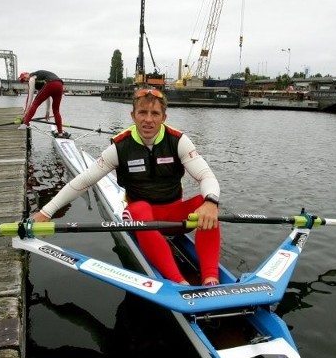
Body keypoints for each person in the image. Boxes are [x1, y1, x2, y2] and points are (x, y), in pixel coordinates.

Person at [32, 88, 221, 286]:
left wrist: (210, 202)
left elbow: (206, 176)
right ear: (133, 115)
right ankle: (179, 284)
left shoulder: (178, 141)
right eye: (142, 113)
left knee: (206, 202)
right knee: (139, 209)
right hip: (141, 218)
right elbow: (84, 181)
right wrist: (46, 212)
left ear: (164, 117)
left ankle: (211, 279)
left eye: (155, 113)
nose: (148, 120)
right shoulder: (120, 147)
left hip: (174, 216)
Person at [18, 70, 67, 137]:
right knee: (56, 110)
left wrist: (26, 113)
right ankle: (60, 133)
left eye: (24, 78)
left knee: (35, 104)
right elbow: (47, 95)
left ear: (27, 74)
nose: (25, 80)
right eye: (23, 80)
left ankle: (25, 125)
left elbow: (30, 97)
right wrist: (47, 111)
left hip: (51, 83)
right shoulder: (40, 79)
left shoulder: (32, 78)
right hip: (60, 85)